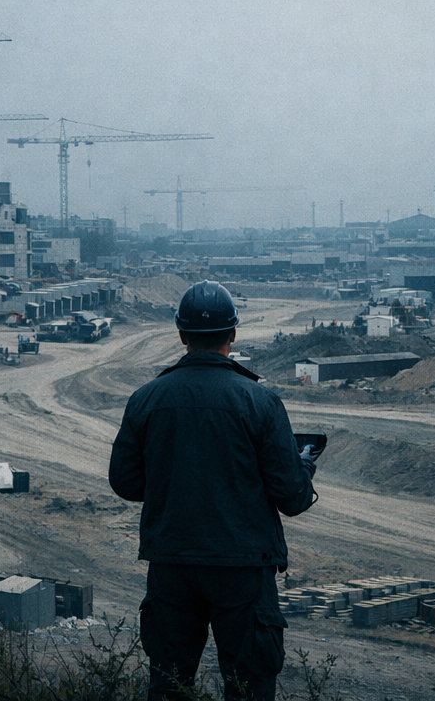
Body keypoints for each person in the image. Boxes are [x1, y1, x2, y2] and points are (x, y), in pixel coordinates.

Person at [108, 281, 317, 701]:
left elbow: (125, 482)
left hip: (172, 564)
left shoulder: (145, 399)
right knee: (249, 687)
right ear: (233, 333)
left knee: (169, 687)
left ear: (181, 335)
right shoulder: (260, 402)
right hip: (242, 569)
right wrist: (304, 466)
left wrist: (174, 479)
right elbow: (293, 498)